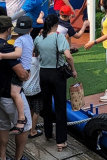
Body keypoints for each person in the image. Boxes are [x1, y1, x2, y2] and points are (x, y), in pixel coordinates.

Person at [0, 16, 32, 157]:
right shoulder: (6, 48)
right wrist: (26, 74)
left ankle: (3, 157)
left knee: (4, 126)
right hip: (10, 95)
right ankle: (18, 158)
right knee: (24, 128)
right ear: (8, 29)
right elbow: (21, 74)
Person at [34, 14, 77, 152]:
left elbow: (35, 54)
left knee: (46, 105)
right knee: (60, 107)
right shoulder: (59, 37)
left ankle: (48, 133)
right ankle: (61, 140)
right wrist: (73, 70)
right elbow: (68, 56)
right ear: (56, 25)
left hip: (43, 73)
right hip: (57, 74)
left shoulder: (39, 37)